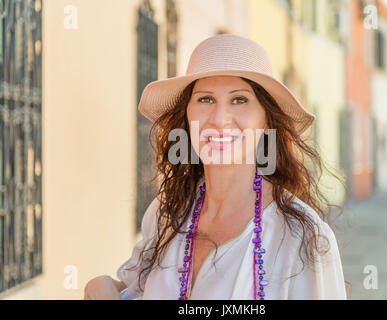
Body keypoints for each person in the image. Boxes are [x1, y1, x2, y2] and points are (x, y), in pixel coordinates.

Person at [84, 34, 347, 300]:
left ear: (266, 121)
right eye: (206, 99)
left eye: (239, 100)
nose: (220, 120)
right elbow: (132, 291)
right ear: (187, 115)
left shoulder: (302, 237)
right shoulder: (166, 213)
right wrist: (100, 286)